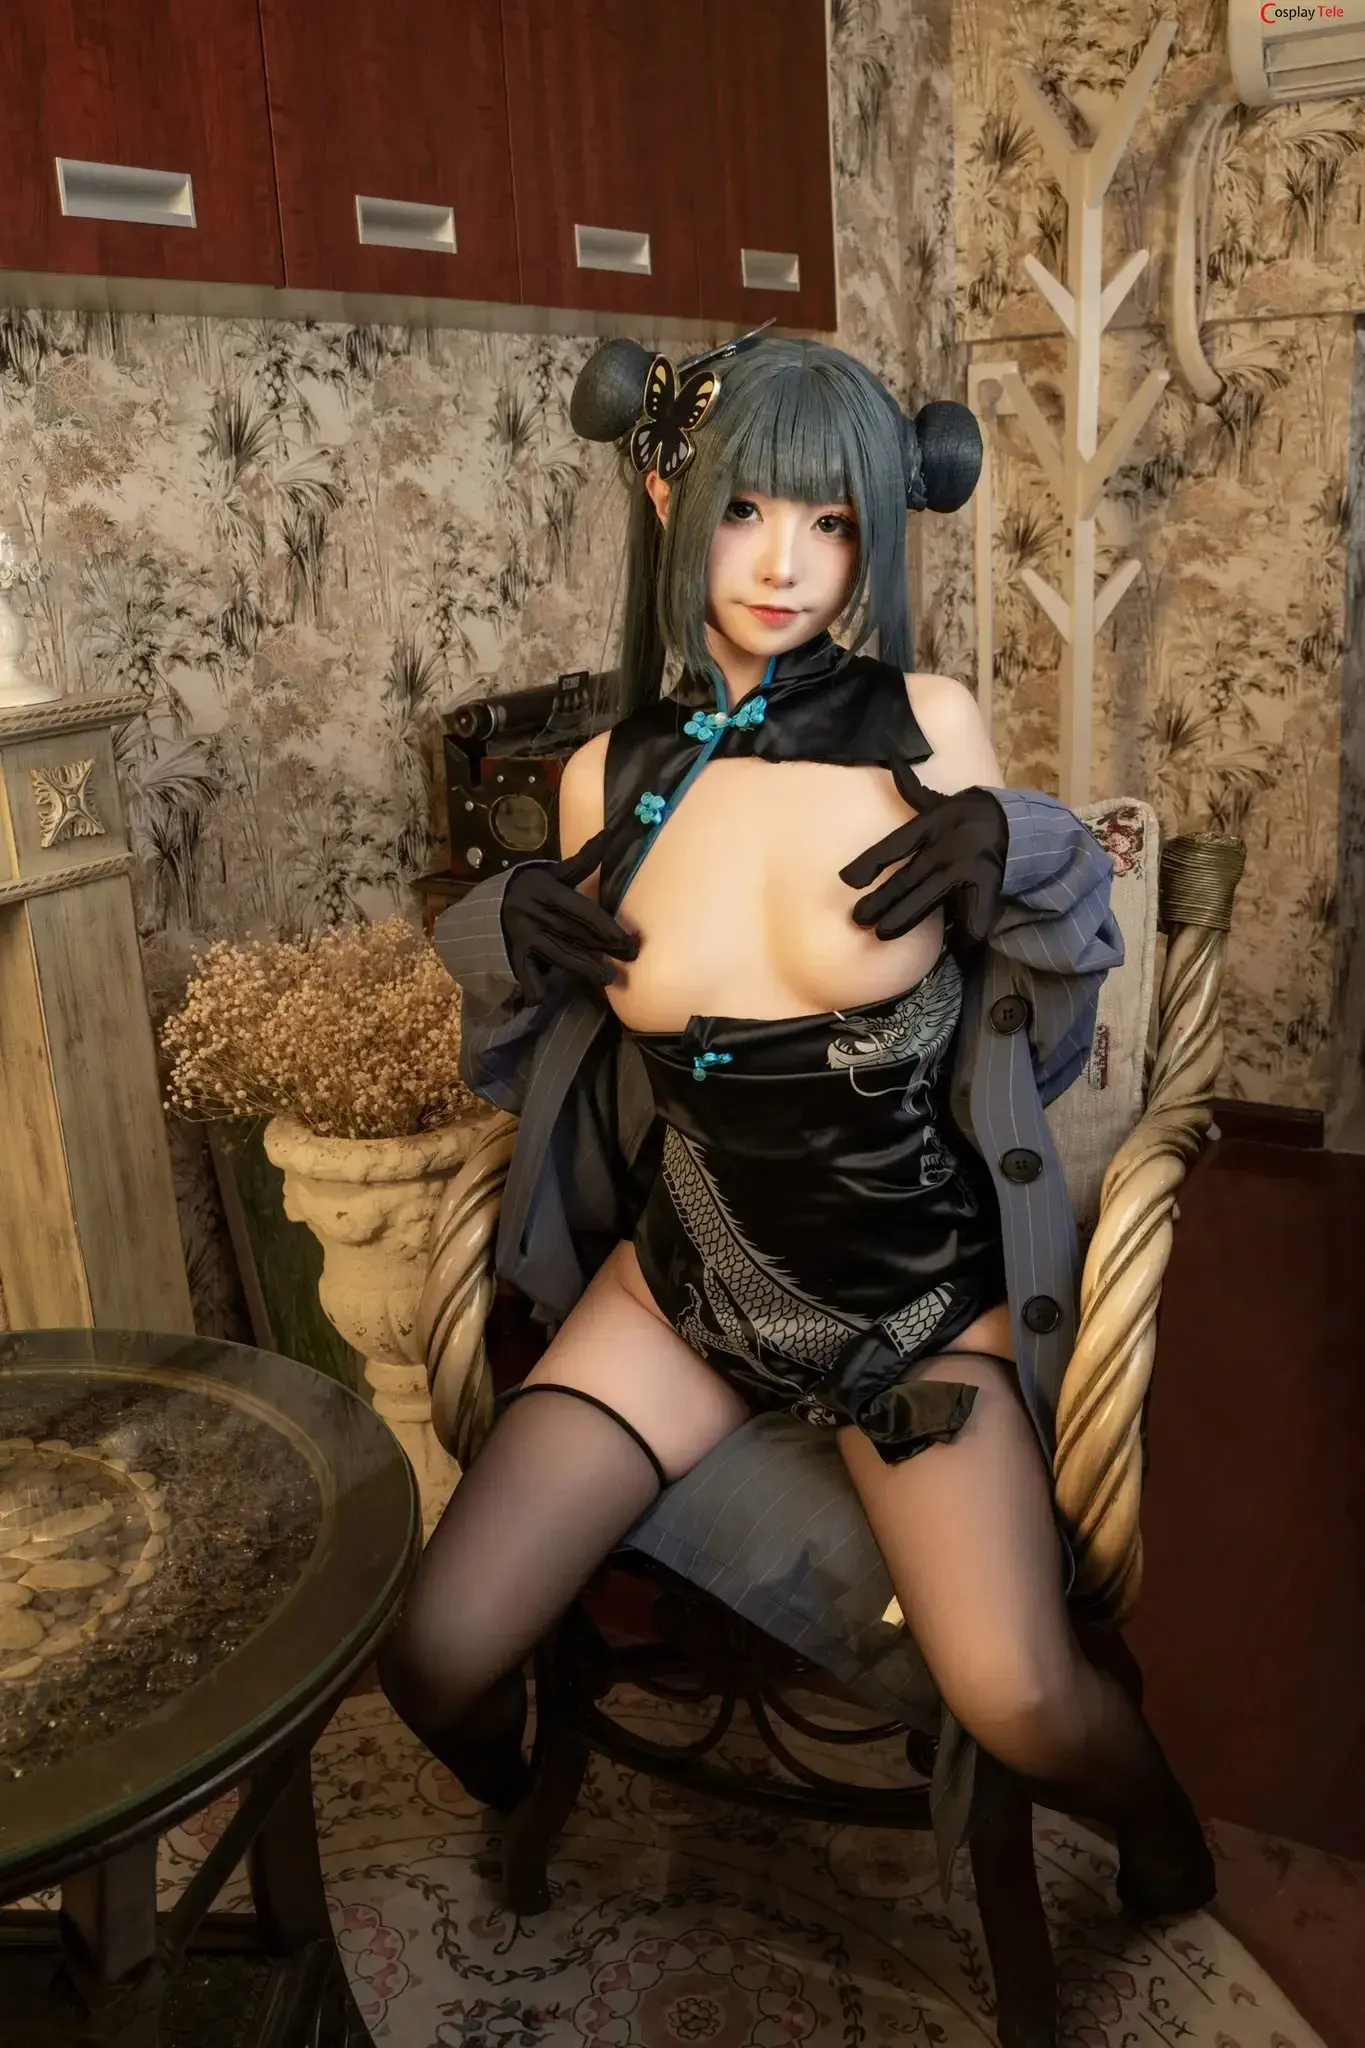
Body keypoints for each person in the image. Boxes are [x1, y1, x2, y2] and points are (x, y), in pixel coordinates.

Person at [379, 333, 1214, 1917]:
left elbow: (1053, 1026)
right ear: (665, 496)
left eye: (831, 523)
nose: (784, 564)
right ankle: (524, 1791)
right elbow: (537, 1053)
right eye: (748, 509)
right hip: (682, 1287)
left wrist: (1024, 851)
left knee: (1024, 1700)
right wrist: (498, 927)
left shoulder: (931, 729)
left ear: (879, 531)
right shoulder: (602, 778)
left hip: (912, 1301)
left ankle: (1166, 1830)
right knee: (433, 1658)